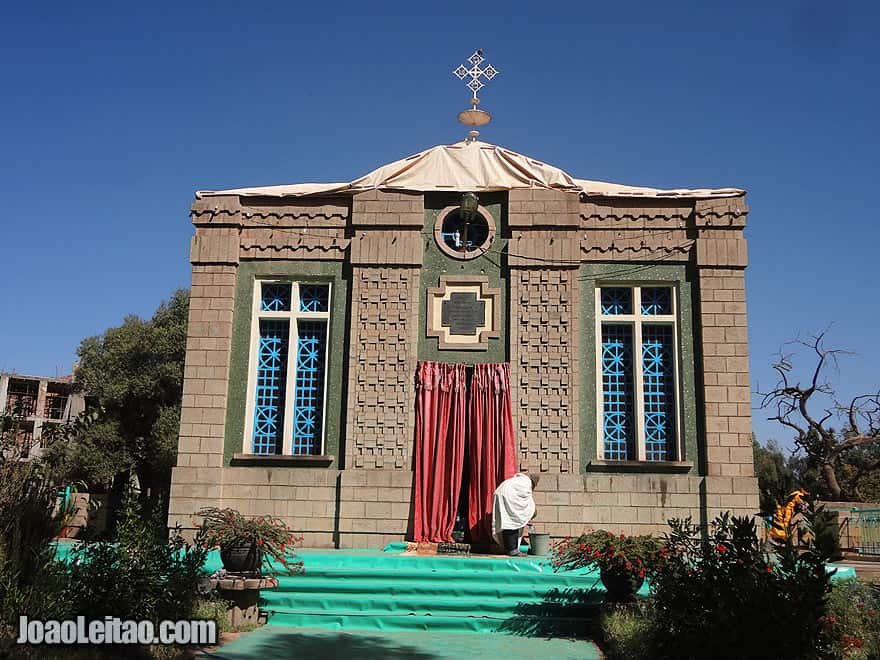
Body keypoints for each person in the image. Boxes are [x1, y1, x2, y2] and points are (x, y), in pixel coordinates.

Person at [492, 473, 539, 556]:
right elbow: (529, 505)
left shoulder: (520, 481)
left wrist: (525, 518)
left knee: (506, 522)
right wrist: (527, 515)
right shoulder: (526, 484)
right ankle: (513, 550)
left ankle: (508, 548)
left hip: (500, 493)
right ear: (533, 483)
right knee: (513, 522)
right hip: (507, 496)